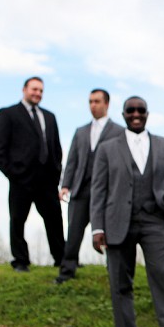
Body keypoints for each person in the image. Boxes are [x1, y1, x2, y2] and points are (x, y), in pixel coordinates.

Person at [90, 96, 164, 327]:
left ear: (147, 113)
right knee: (120, 283)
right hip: (116, 223)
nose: (136, 114)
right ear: (123, 114)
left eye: (141, 110)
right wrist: (97, 228)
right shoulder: (107, 148)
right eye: (130, 110)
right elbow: (98, 190)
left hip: (155, 221)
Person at [0, 76, 65, 272]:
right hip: (21, 179)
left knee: (54, 219)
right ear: (24, 90)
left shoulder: (49, 116)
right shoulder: (8, 114)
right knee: (17, 220)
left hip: (47, 180)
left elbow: (56, 148)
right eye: (34, 89)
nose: (37, 93)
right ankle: (21, 261)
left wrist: (56, 174)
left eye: (41, 90)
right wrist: (13, 173)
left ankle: (61, 258)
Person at [55, 89, 124, 284]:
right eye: (90, 101)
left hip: (107, 193)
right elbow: (72, 161)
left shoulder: (119, 132)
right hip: (81, 190)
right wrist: (65, 185)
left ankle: (115, 274)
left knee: (110, 233)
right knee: (74, 231)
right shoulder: (81, 131)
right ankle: (67, 271)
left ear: (107, 104)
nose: (93, 105)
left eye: (97, 101)